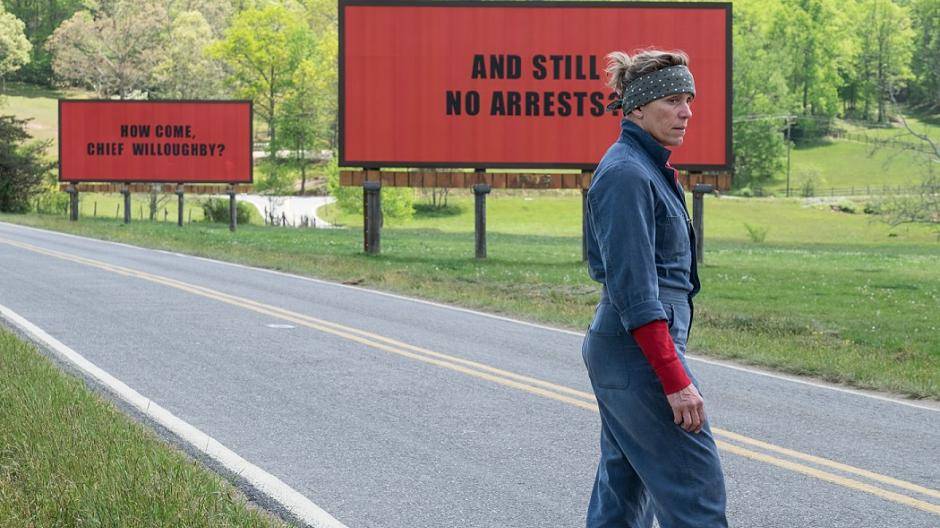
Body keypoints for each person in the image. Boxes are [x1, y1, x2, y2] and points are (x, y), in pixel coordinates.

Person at [581, 49, 728, 528]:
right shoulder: (627, 174)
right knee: (695, 489)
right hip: (637, 351)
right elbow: (636, 293)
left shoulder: (645, 167)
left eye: (688, 99)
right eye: (672, 100)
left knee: (623, 491)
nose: (686, 111)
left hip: (629, 349)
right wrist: (675, 379)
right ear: (637, 108)